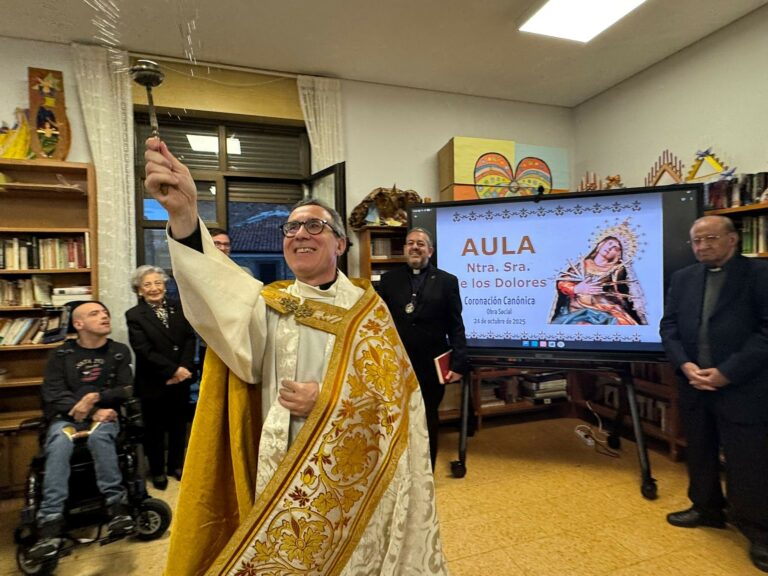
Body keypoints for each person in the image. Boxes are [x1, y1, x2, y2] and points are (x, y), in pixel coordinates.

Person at [143, 137, 448, 576]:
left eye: (314, 226)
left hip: (353, 471)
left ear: (340, 244)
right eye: (291, 228)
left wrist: (329, 400)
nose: (300, 234)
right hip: (284, 459)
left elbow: (398, 401)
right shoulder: (268, 303)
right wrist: (185, 215)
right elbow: (216, 292)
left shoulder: (368, 309)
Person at [660, 215, 768, 573]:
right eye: (697, 240)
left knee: (748, 460)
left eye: (711, 239)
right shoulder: (683, 278)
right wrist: (685, 365)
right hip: (694, 382)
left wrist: (727, 373)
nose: (702, 246)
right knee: (700, 449)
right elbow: (669, 326)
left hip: (744, 385)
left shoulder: (760, 274)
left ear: (732, 240)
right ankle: (706, 509)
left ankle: (759, 530)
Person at [29, 301, 135, 560]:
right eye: (95, 314)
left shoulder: (119, 352)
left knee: (100, 436)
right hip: (66, 418)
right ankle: (50, 522)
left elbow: (126, 389)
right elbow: (53, 394)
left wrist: (95, 398)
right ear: (78, 324)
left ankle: (117, 508)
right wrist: (90, 410)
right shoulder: (61, 355)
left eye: (105, 313)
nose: (104, 316)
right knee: (59, 441)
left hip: (105, 418)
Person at [378, 227, 468, 468]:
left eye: (420, 243)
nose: (414, 247)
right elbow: (378, 323)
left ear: (430, 250)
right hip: (396, 364)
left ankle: (426, 470)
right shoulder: (388, 280)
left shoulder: (447, 281)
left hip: (431, 364)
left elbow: (456, 325)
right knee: (396, 417)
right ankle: (398, 469)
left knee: (428, 417)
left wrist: (459, 364)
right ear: (405, 249)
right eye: (410, 243)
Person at [125, 265, 196, 490]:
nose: (154, 288)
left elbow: (189, 339)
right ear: (139, 290)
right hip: (153, 381)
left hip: (181, 380)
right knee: (154, 430)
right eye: (147, 284)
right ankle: (157, 471)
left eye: (158, 283)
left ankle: (176, 465)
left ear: (165, 285)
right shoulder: (134, 315)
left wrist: (183, 368)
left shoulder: (179, 307)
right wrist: (173, 371)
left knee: (178, 426)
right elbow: (143, 350)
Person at [550, 231, 647, 325]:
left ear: (618, 255)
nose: (610, 248)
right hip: (577, 307)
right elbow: (563, 282)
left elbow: (622, 294)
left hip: (605, 308)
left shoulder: (617, 271)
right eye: (609, 243)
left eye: (615, 248)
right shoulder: (582, 264)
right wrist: (577, 288)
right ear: (601, 244)